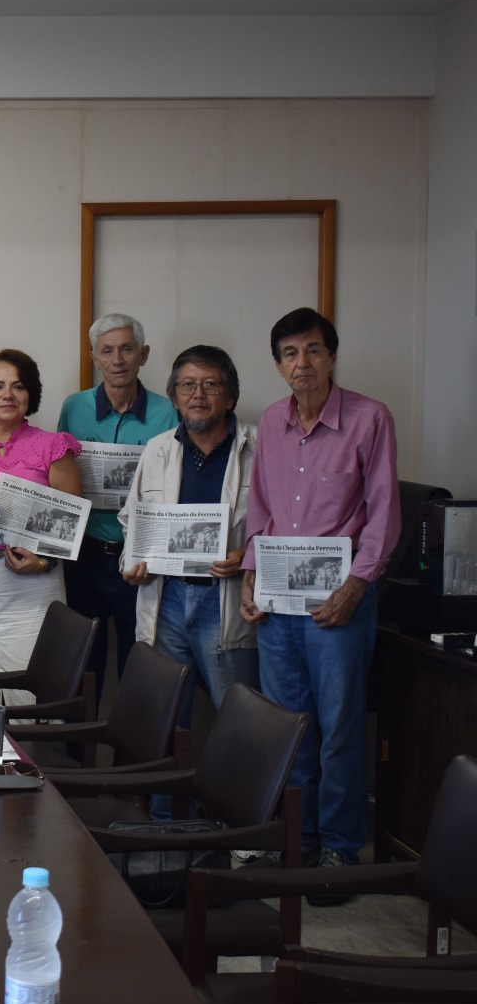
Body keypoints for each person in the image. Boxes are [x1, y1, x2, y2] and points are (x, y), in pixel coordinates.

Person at [239, 308, 399, 884]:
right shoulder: (271, 425)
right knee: (291, 727)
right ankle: (297, 839)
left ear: (331, 356)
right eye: (289, 354)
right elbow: (262, 509)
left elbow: (383, 509)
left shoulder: (369, 418)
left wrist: (360, 582)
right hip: (278, 604)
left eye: (312, 351)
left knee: (339, 726)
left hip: (340, 602)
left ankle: (339, 848)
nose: (301, 364)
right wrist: (251, 572)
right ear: (278, 363)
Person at [119, 345, 260, 820]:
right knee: (168, 721)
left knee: (241, 721)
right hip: (167, 601)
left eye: (210, 384)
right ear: (174, 398)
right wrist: (131, 563)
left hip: (227, 605)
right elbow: (132, 519)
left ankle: (240, 828)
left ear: (231, 395)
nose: (198, 394)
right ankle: (165, 825)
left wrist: (247, 557)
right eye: (187, 385)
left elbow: (280, 523)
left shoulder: (259, 449)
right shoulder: (159, 449)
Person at [57, 314, 177, 693]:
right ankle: (77, 754)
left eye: (126, 349)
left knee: (140, 663)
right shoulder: (73, 408)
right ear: (95, 359)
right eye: (107, 351)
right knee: (82, 664)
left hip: (140, 559)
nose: (117, 359)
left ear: (143, 355)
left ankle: (136, 754)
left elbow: (174, 487)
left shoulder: (168, 412)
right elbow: (61, 478)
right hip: (85, 556)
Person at [0, 350, 81, 706]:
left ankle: (33, 763)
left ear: (31, 394)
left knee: (32, 699)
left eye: (18, 386)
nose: (7, 395)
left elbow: (70, 527)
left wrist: (42, 562)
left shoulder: (53, 446)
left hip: (32, 586)